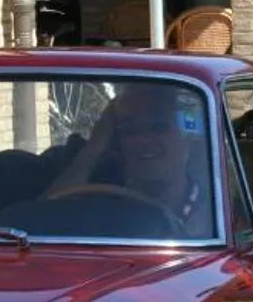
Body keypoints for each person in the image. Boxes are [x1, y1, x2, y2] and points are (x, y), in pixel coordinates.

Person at [42, 81, 212, 235]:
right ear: (116, 143)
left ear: (187, 137)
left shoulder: (215, 209)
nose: (143, 140)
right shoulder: (99, 204)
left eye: (158, 127)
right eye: (130, 130)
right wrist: (93, 150)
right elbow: (40, 221)